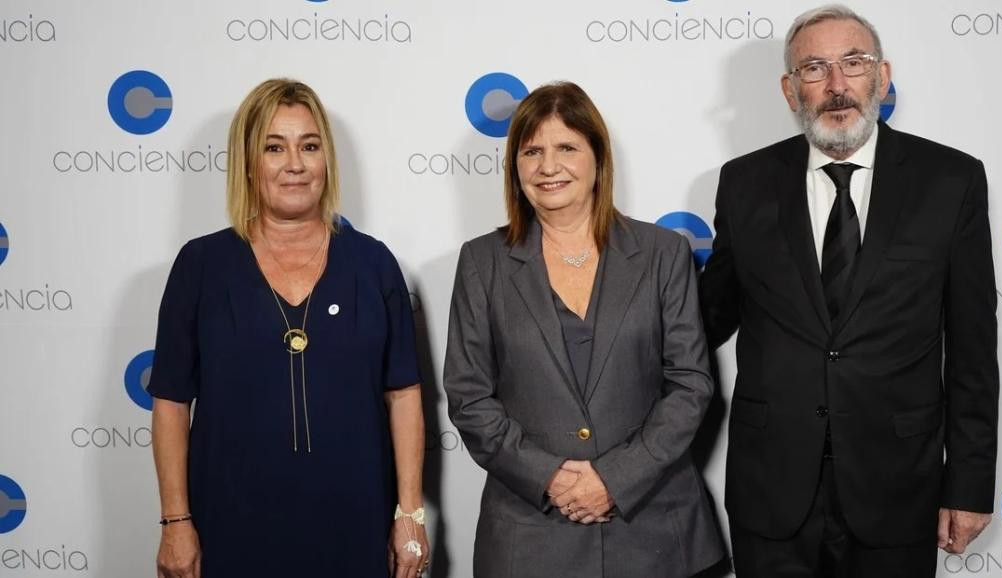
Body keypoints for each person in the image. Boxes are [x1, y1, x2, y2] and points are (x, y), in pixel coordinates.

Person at [700, 5, 999, 576]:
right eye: (814, 69)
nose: (837, 86)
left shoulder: (951, 180)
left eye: (853, 63)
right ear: (791, 90)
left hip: (899, 487)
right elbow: (708, 318)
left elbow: (972, 349)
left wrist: (969, 482)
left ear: (882, 78)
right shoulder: (744, 183)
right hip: (772, 489)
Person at [148, 79, 429, 578]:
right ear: (248, 162)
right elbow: (170, 402)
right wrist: (175, 520)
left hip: (355, 526)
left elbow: (403, 394)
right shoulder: (201, 265)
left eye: (310, 146)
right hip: (229, 528)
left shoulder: (373, 263)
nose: (295, 164)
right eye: (274, 147)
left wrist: (408, 514)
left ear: (328, 160)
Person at [443, 81, 724, 578]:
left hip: (655, 531)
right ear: (515, 167)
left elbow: (691, 385)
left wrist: (616, 479)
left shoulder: (663, 253)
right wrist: (550, 478)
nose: (548, 167)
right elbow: (469, 397)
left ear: (598, 157)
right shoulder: (481, 263)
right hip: (530, 538)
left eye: (567, 148)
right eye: (532, 152)